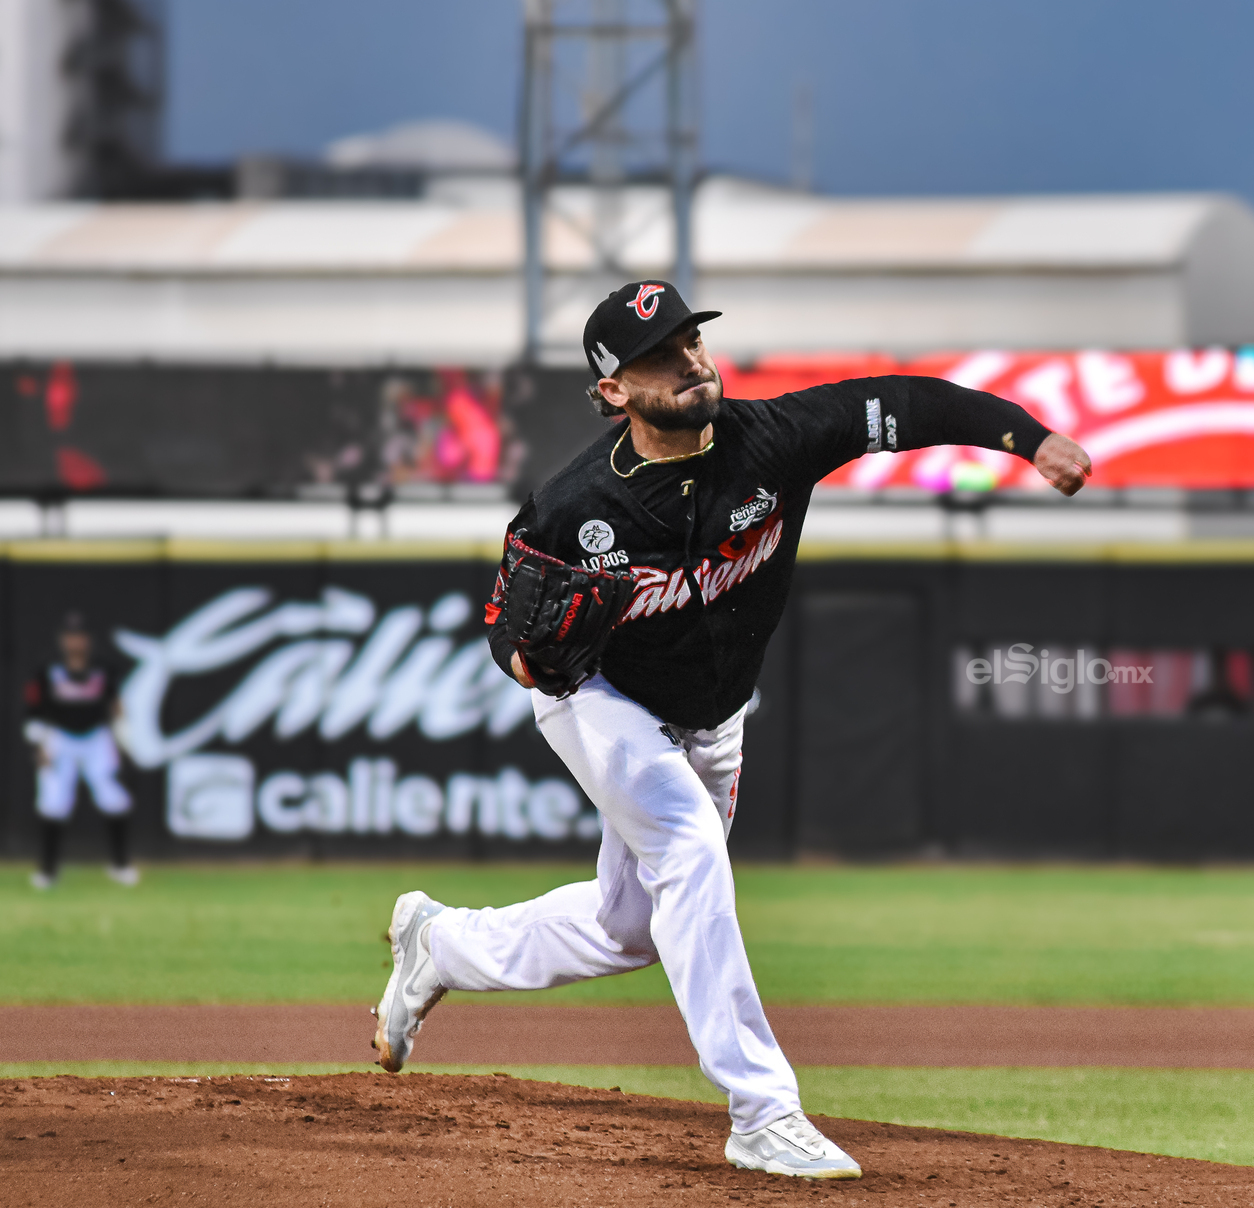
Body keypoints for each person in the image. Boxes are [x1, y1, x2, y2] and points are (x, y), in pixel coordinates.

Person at [371, 280, 1092, 1179]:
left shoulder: (776, 440)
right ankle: (762, 1110)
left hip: (713, 717)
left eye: (691, 341)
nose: (688, 362)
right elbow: (507, 635)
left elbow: (908, 404)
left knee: (629, 929)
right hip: (602, 701)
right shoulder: (571, 506)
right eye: (659, 356)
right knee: (689, 848)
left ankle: (441, 945)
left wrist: (1027, 437)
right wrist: (526, 660)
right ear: (613, 391)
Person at [21, 612, 136, 889]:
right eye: (71, 636)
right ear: (62, 640)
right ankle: (48, 871)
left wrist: (122, 739)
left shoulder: (103, 668)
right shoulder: (47, 669)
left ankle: (120, 865)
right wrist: (38, 745)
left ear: (88, 640)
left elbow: (117, 705)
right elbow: (33, 710)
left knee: (113, 797)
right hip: (59, 737)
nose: (76, 642)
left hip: (96, 736)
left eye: (80, 636)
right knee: (53, 801)